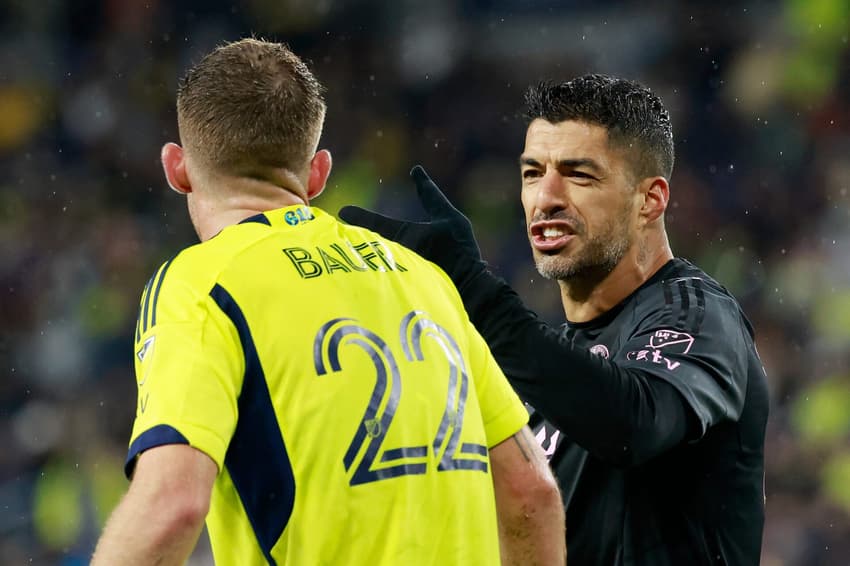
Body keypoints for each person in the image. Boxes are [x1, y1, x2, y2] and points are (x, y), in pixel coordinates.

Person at [91, 38, 566, 566]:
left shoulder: (202, 285)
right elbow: (531, 493)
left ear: (176, 168)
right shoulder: (421, 276)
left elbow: (171, 506)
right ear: (317, 174)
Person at [340, 74, 769, 565]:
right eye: (532, 173)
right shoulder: (545, 371)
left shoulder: (698, 313)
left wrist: (475, 291)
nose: (546, 198)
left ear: (650, 200)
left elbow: (633, 424)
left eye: (579, 174)